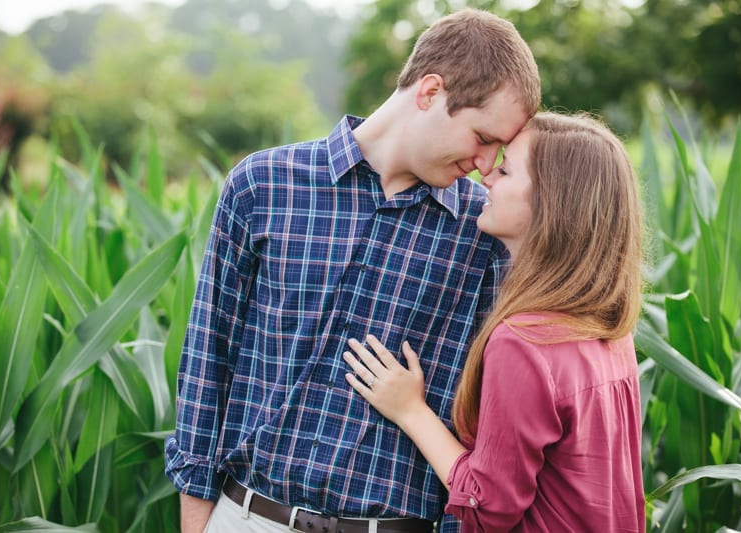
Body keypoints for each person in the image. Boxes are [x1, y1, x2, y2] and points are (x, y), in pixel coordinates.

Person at [165, 8, 540, 533]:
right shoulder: (262, 186)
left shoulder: (483, 240)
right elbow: (208, 358)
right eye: (481, 136)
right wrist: (198, 521)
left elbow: (476, 422)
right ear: (431, 92)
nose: (484, 163)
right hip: (247, 517)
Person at [343, 111, 646, 532]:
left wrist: (411, 410)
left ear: (550, 201)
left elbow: (489, 507)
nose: (486, 176)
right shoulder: (607, 330)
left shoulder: (524, 341)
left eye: (505, 170)